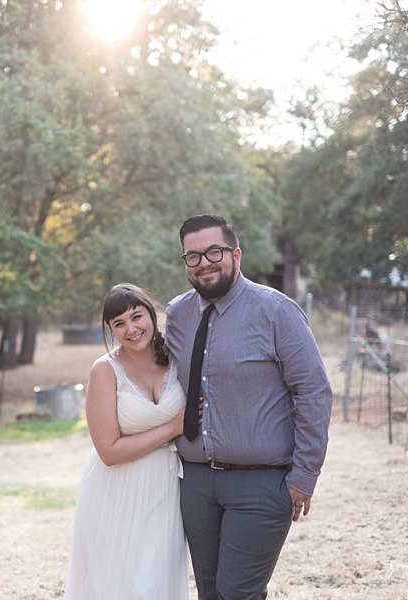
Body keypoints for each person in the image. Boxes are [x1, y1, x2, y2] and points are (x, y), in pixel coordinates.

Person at [166, 214, 332, 600]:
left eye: (214, 251)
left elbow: (313, 392)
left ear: (235, 254)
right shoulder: (177, 314)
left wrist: (303, 475)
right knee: (209, 593)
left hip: (261, 484)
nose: (204, 262)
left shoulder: (276, 311)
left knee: (237, 594)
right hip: (195, 483)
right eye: (193, 256)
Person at [65, 283, 189, 600]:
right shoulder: (105, 371)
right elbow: (109, 451)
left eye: (137, 317)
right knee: (121, 586)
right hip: (115, 490)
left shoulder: (177, 356)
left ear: (151, 313)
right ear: (111, 329)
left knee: (156, 581)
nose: (131, 329)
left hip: (165, 490)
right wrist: (174, 427)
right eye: (119, 324)